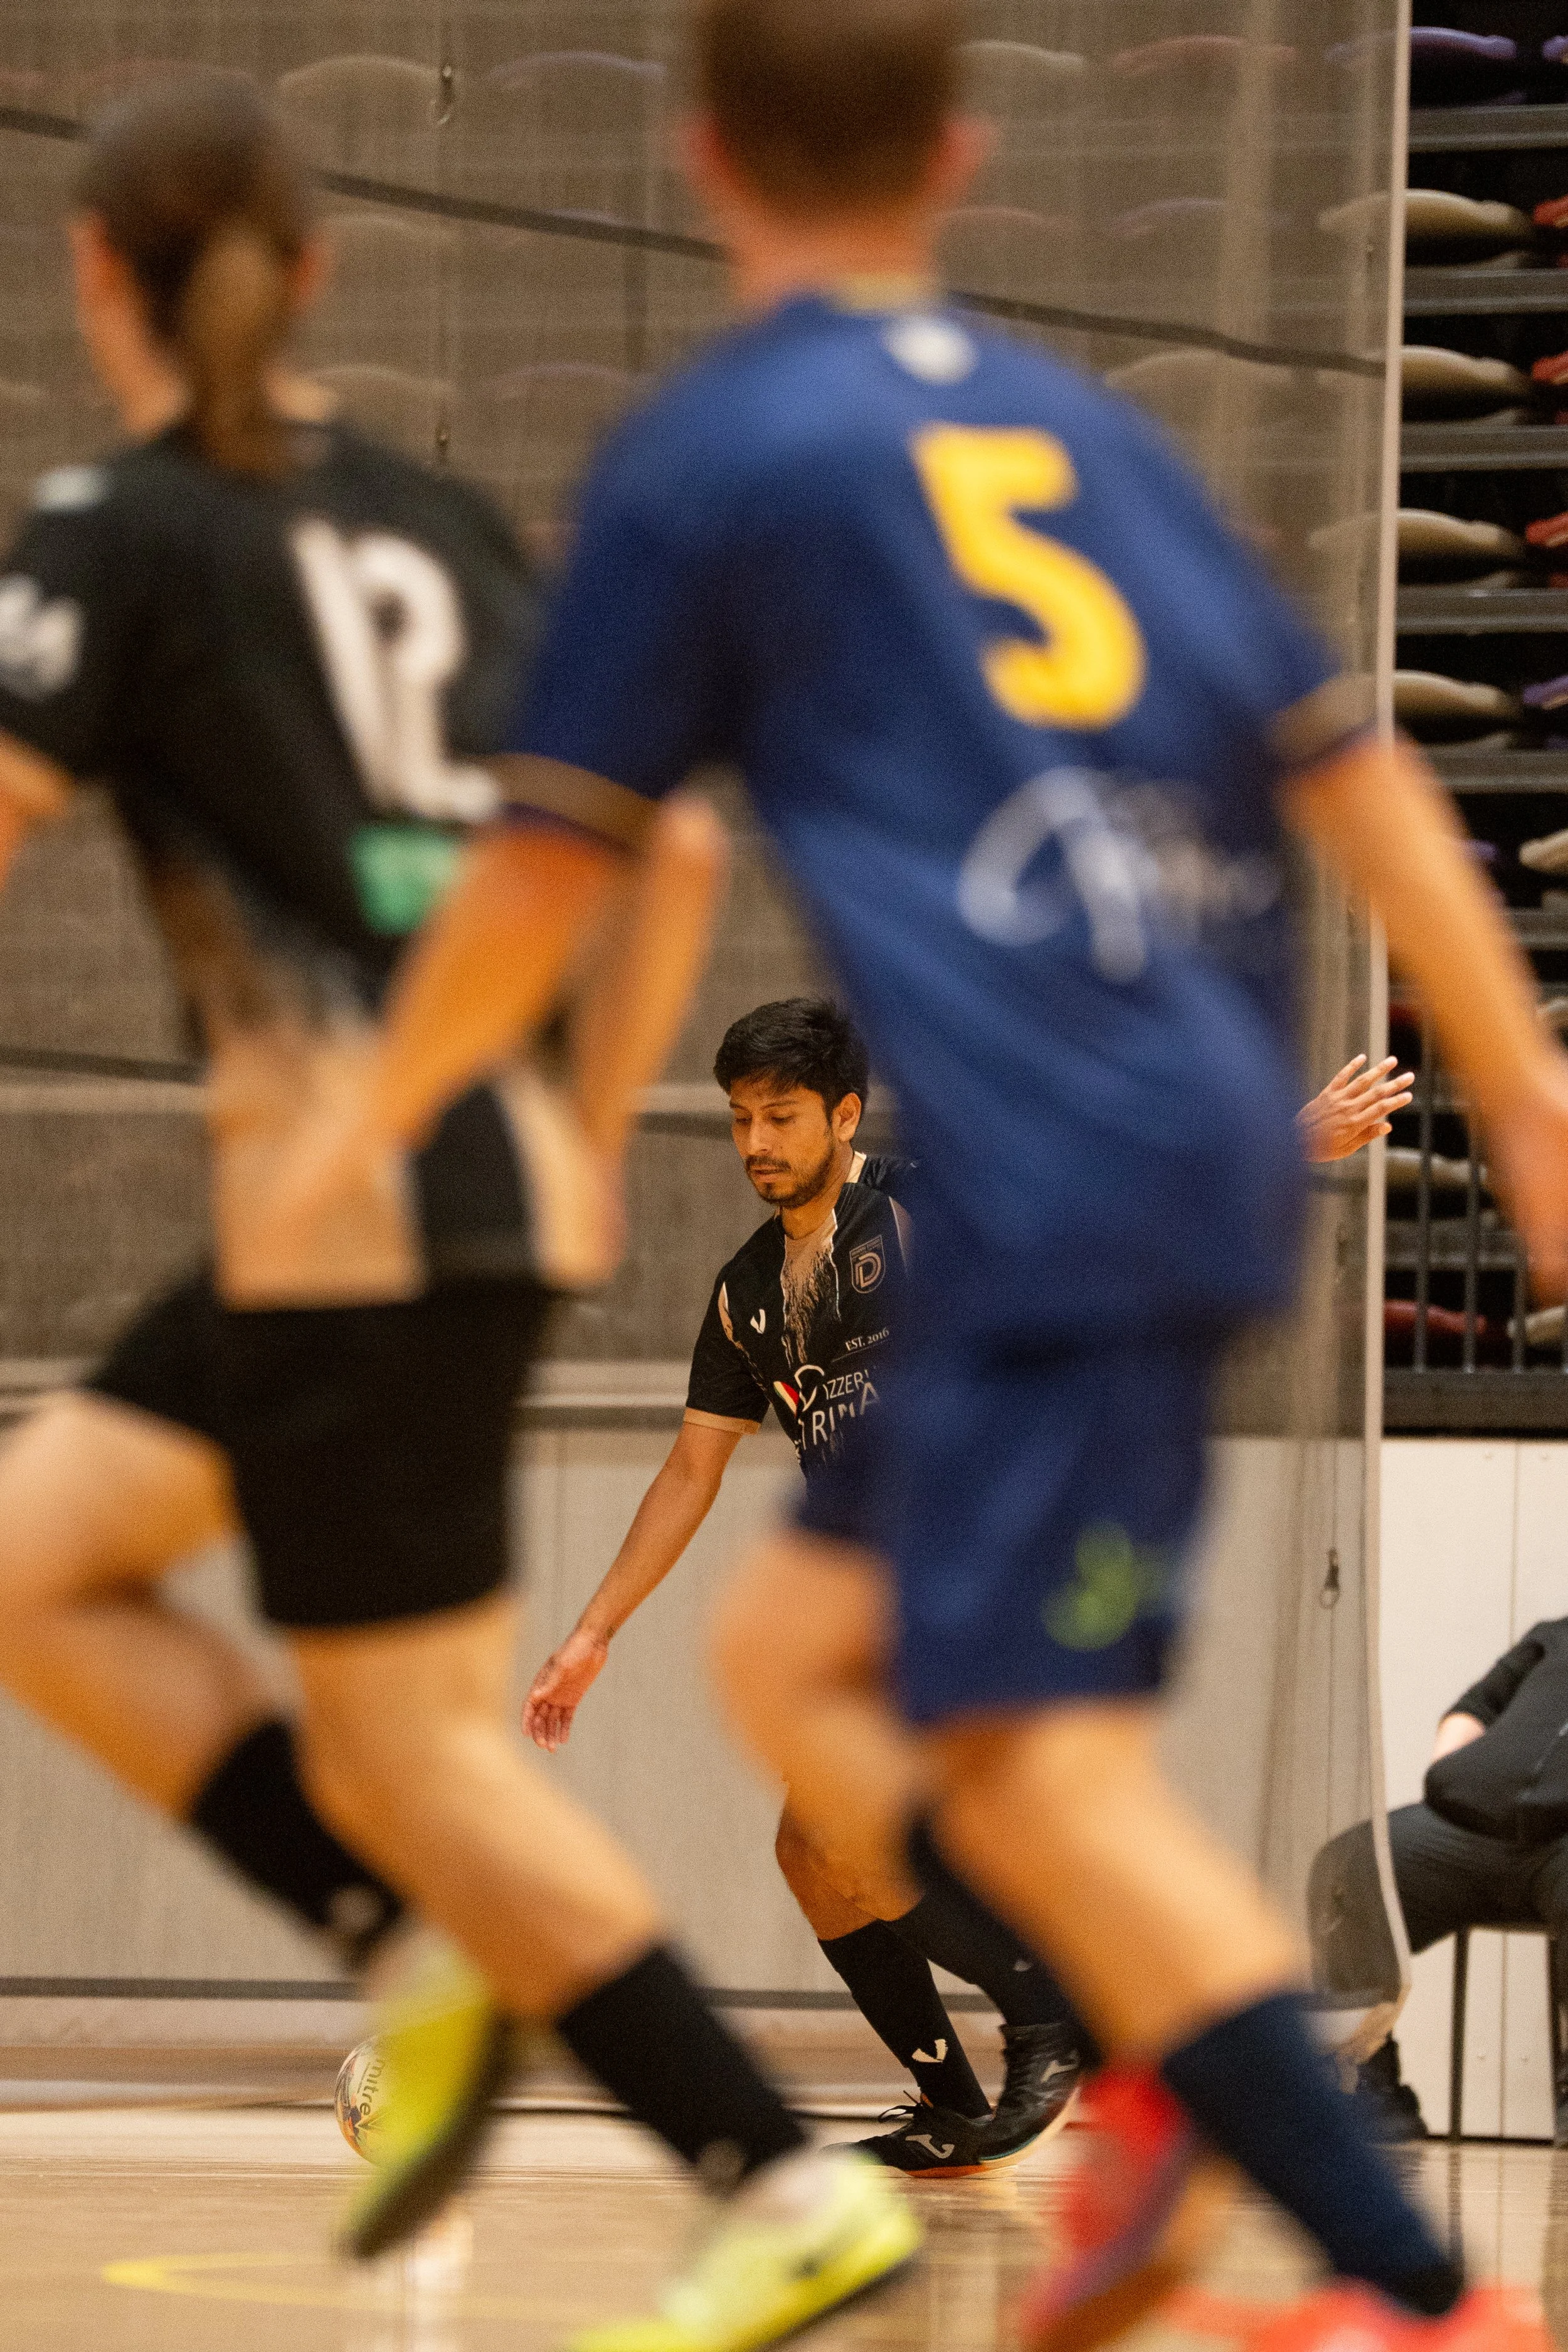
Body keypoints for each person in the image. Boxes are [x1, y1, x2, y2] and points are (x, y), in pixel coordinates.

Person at [275, 2, 1568, 2347]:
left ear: (700, 151)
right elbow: (1358, 777)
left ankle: (1374, 2258)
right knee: (819, 1671)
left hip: (1058, 1180)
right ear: (964, 153)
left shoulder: (719, 454)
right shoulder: (1082, 433)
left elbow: (560, 866)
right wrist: (1530, 1097)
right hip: (1167, 1142)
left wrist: (393, 1129)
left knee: (1022, 1777)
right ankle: (1184, 2150)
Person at [0, 72, 921, 2343]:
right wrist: (592, 1136)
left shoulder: (116, 523)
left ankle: (761, 2171)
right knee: (40, 1557)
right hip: (470, 1184)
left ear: (96, 276)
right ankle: (447, 1975)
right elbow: (671, 848)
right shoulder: (434, 517)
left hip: (345, 1202)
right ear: (313, 278)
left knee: (409, 1760)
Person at [527, 995, 1099, 2176]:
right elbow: (692, 1470)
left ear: (843, 1115)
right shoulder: (745, 1293)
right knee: (814, 1852)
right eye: (740, 1118)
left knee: (853, 1817)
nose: (755, 1142)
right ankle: (952, 2101)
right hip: (867, 1591)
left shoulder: (920, 1209)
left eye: (780, 1116)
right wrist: (593, 1632)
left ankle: (1052, 2006)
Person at [1315, 1615, 1568, 2148]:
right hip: (1464, 1828)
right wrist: (1457, 1777)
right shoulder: (1555, 1635)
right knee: (1351, 1866)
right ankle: (1368, 2085)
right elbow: (1475, 1707)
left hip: (1561, 1845)